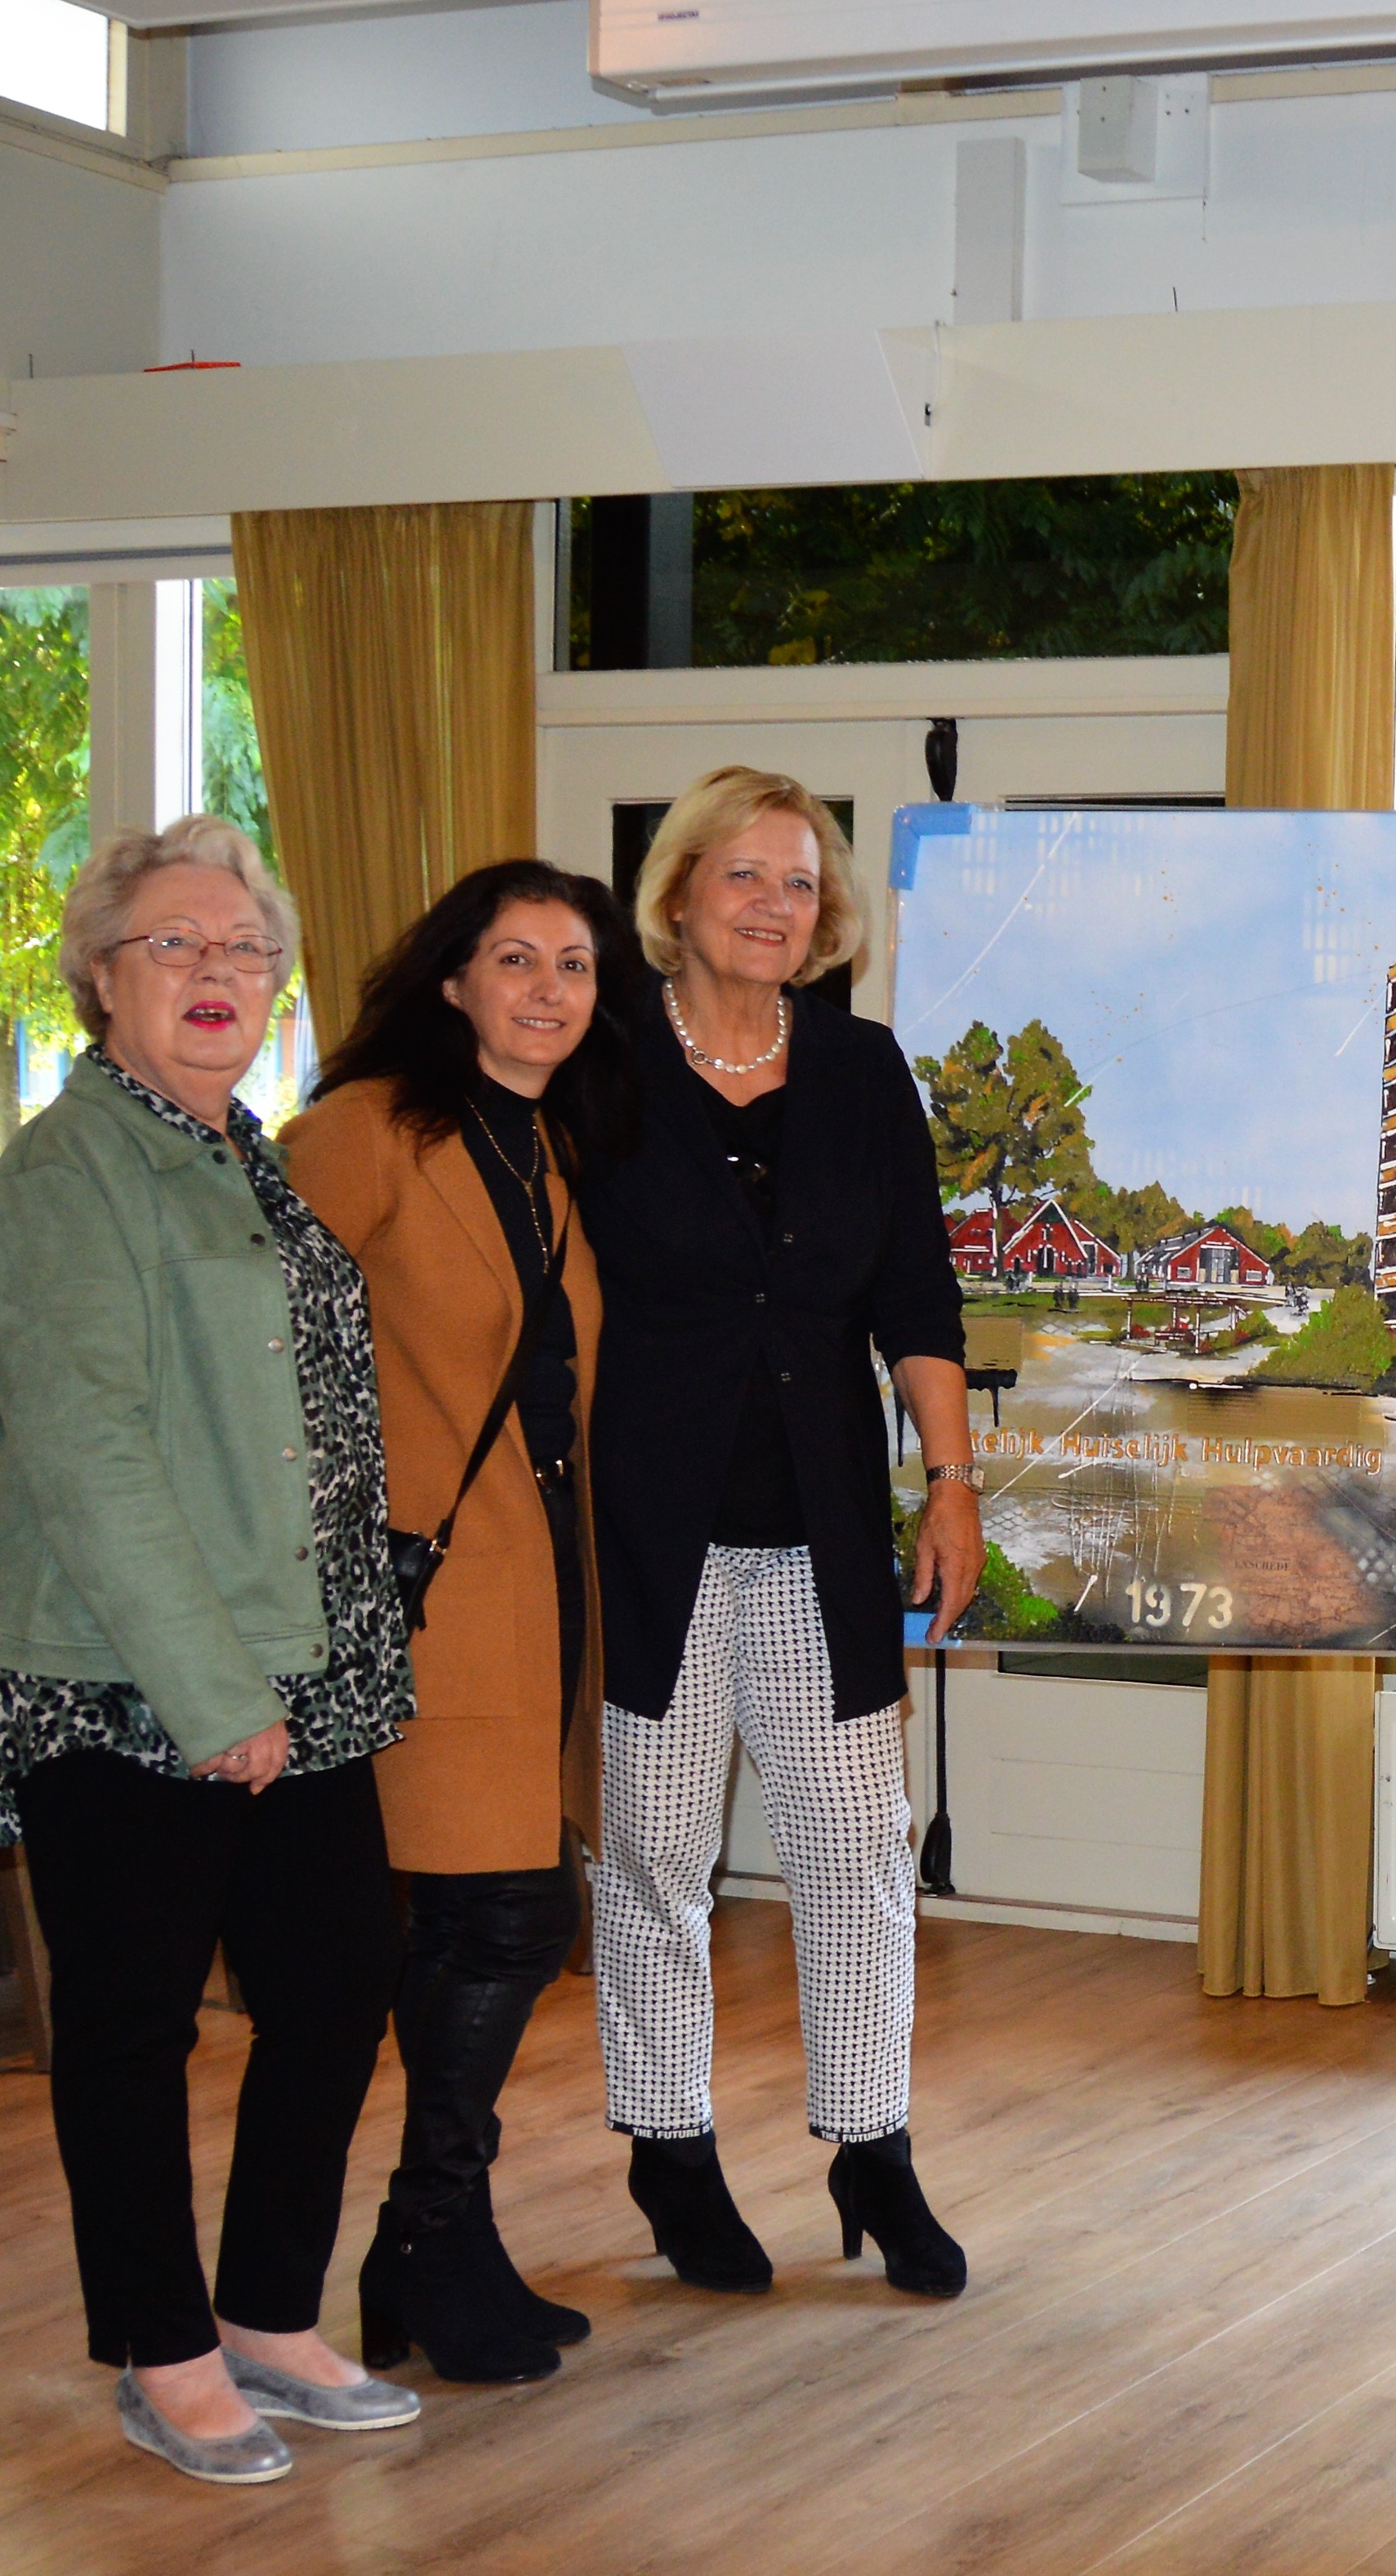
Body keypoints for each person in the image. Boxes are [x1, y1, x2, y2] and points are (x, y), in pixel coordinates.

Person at [0, 818, 421, 2484]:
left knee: (336, 1980)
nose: (216, 974)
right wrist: (211, 1696)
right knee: (136, 2023)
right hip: (117, 1671)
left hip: (298, 1656)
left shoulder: (239, 1154)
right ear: (101, 978)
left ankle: (270, 2315)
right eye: (176, 944)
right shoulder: (65, 1175)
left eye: (242, 950)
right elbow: (90, 1454)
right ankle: (161, 2349)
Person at [582, 767, 980, 2299]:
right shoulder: (603, 1063)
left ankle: (872, 2148)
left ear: (830, 917)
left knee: (860, 1856)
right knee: (658, 1857)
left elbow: (918, 1301)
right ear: (677, 892)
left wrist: (948, 1480)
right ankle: (670, 2150)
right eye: (739, 874)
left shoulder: (866, 1072)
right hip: (651, 1538)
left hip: (823, 1534)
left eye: (799, 882)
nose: (769, 902)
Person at [289, 862, 636, 2385]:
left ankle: (440, 2234)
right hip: (419, 1587)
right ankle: (427, 2235)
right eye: (516, 960)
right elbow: (264, 1340)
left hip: (536, 1577)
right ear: (449, 981)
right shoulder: (364, 1133)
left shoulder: (550, 1144)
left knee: (498, 1910)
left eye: (573, 965)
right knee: (498, 1913)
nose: (549, 990)